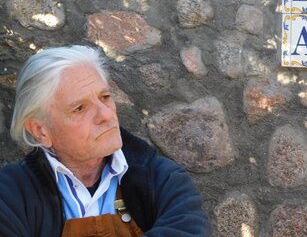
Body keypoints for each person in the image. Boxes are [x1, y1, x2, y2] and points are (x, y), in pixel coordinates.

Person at [0, 45, 211, 237]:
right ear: (40, 130)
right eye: (79, 108)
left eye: (105, 97)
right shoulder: (9, 195)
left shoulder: (163, 179)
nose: (106, 115)